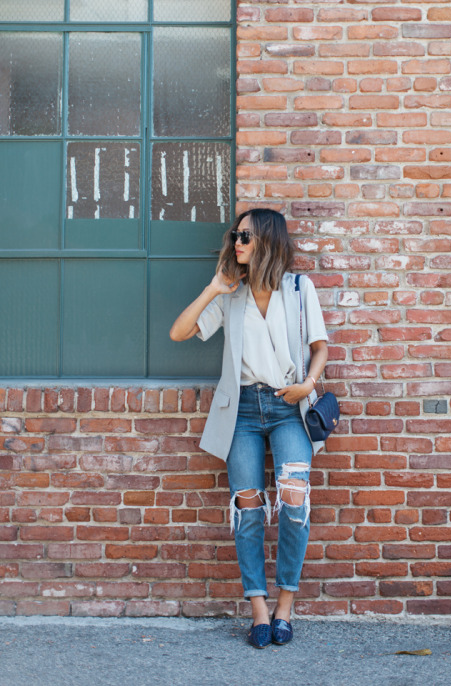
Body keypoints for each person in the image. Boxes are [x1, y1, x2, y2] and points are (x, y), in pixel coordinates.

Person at [170, 208, 328, 649]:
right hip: (240, 409)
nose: (237, 242)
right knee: (248, 508)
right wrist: (214, 288)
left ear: (268, 241)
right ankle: (258, 608)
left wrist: (307, 386)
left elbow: (320, 348)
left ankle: (285, 606)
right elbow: (179, 332)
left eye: (246, 236)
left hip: (287, 405)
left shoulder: (299, 289)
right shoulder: (231, 293)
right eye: (235, 234)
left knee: (294, 499)